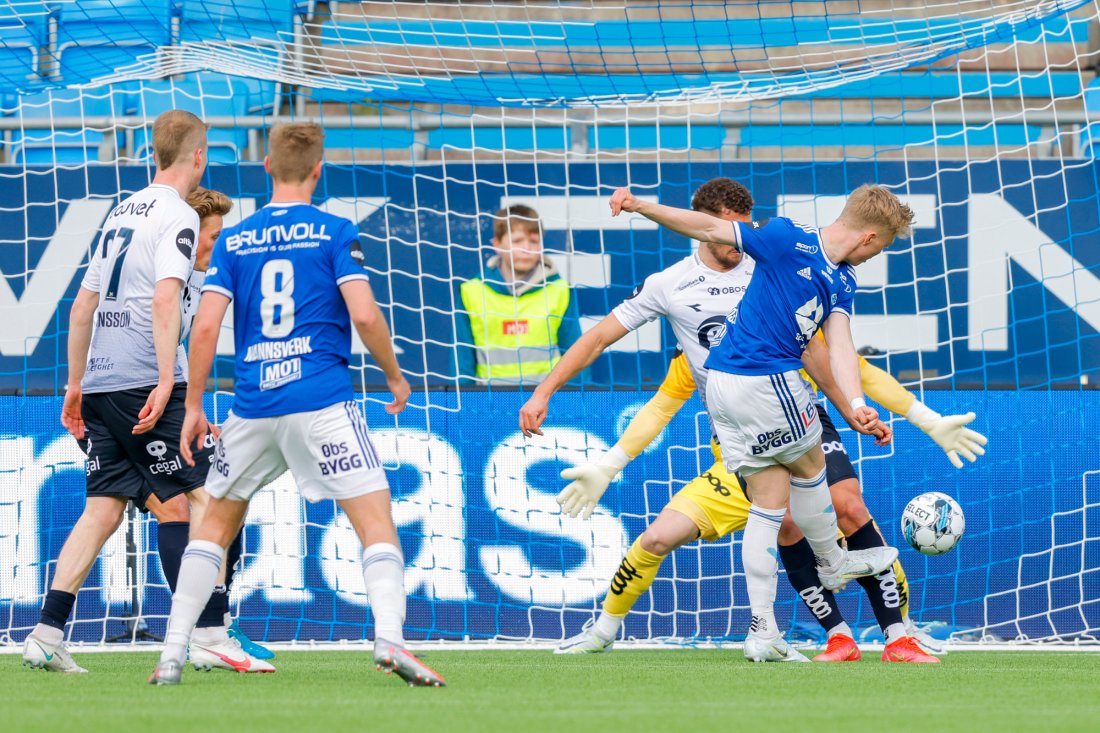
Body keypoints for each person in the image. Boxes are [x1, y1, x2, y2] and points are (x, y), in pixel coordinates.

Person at [149, 122, 444, 687]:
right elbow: (362, 314)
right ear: (317, 170)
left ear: (265, 169)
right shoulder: (335, 231)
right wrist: (395, 377)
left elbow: (205, 327)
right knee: (376, 522)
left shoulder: (234, 240)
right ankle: (390, 640)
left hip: (253, 405)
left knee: (212, 525)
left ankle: (172, 653)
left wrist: (191, 404)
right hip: (322, 401)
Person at [595, 182, 909, 661]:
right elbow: (707, 226)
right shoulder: (786, 236)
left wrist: (856, 400)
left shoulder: (842, 279)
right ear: (869, 237)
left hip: (722, 388)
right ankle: (834, 561)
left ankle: (762, 630)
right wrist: (641, 207)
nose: (877, 255)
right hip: (763, 378)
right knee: (811, 468)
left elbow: (841, 344)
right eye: (883, 247)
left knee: (768, 507)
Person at [552, 335, 985, 660]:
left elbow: (855, 370)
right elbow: (659, 409)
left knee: (849, 507)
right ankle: (603, 632)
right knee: (656, 539)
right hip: (739, 465)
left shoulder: (782, 317)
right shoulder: (694, 346)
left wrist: (918, 418)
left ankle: (899, 633)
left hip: (803, 434)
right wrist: (608, 466)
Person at [22, 111, 271, 674]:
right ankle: (209, 630)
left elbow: (81, 305)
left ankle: (46, 631)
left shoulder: (120, 211)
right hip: (145, 380)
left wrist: (76, 384)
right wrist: (166, 380)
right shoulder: (178, 214)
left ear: (151, 153)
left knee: (104, 509)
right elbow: (164, 299)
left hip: (103, 382)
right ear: (199, 155)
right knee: (215, 495)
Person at [455, 204, 581, 384]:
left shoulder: (560, 290)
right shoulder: (472, 291)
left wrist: (576, 406)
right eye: (517, 241)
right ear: (496, 245)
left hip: (547, 405)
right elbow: (462, 363)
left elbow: (576, 356)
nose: (526, 248)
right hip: (490, 405)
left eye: (534, 241)